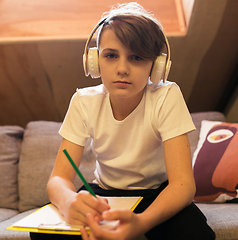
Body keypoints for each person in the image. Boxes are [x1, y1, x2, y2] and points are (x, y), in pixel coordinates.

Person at [31, 2, 215, 240]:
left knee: (194, 233)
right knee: (43, 235)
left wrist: (141, 223)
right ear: (95, 61)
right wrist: (69, 202)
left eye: (136, 57)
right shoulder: (83, 101)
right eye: (111, 55)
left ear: (156, 67)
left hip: (157, 193)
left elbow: (183, 185)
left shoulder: (167, 96)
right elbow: (58, 179)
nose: (122, 69)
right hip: (105, 194)